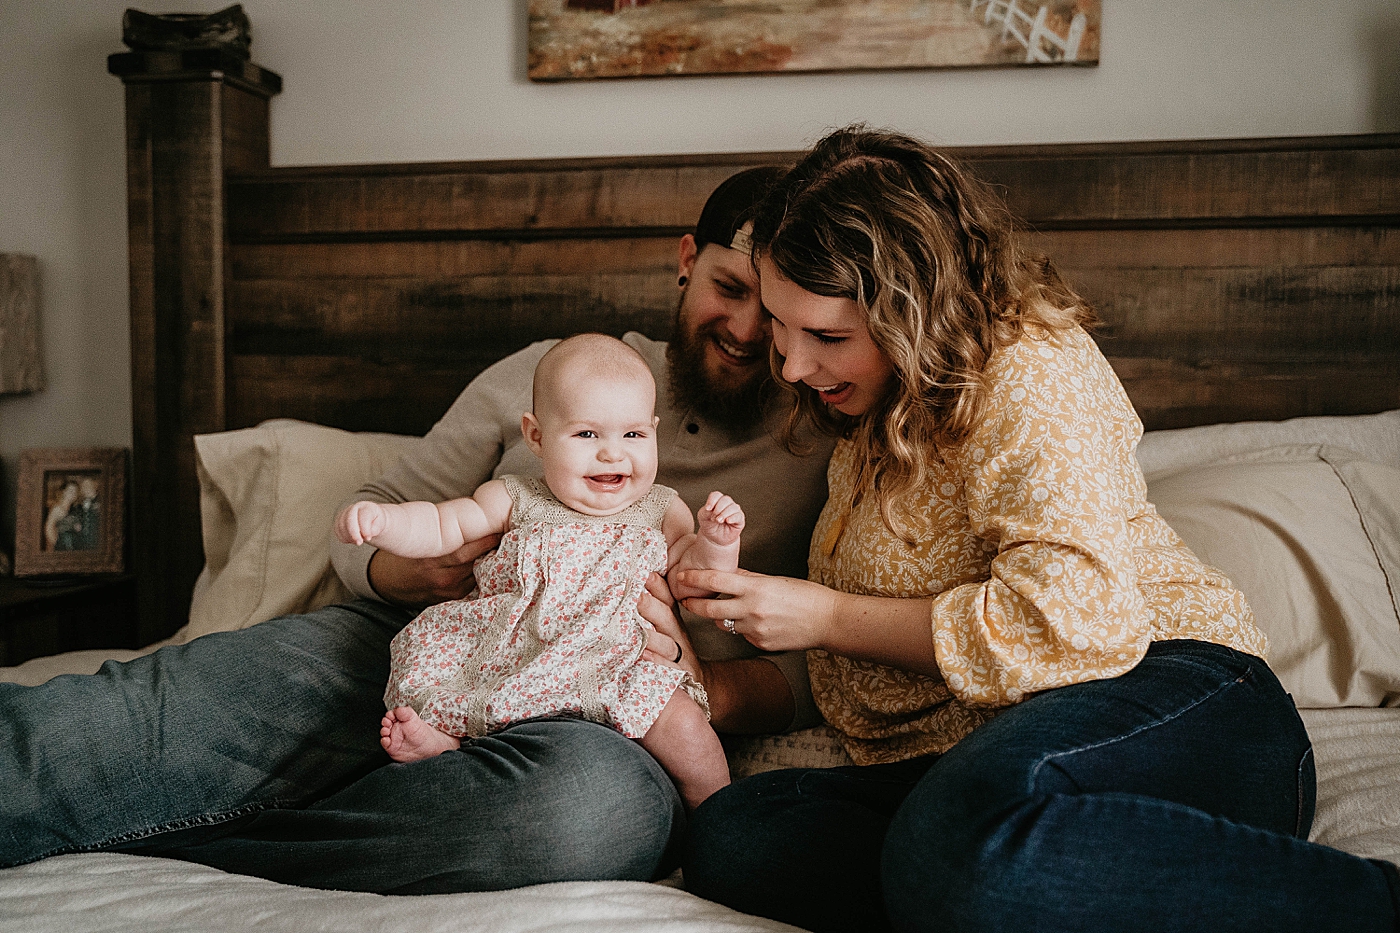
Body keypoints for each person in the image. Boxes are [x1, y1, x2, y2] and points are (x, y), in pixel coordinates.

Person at [0, 166, 836, 894]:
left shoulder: (823, 434)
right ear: (687, 260)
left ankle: (196, 845)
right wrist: (403, 573)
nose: (746, 329)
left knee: (582, 814)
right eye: (729, 288)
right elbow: (379, 507)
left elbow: (824, 664)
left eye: (772, 309)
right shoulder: (544, 371)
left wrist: (709, 684)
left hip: (610, 718)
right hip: (429, 646)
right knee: (140, 717)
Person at [673, 127, 1400, 932]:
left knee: (954, 846)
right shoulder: (876, 408)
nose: (791, 366)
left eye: (829, 338)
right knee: (737, 833)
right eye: (783, 325)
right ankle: (992, 875)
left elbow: (1074, 622)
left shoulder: (1026, 367)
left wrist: (826, 614)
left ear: (913, 309)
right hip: (978, 757)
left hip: (1173, 698)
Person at [337, 334, 741, 809]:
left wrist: (717, 543)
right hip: (516, 653)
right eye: (587, 434)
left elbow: (694, 577)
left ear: (653, 430)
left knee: (687, 728)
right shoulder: (515, 498)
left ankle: (716, 815)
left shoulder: (662, 510)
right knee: (448, 677)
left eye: (633, 435)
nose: (613, 454)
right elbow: (443, 525)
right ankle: (446, 740)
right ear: (536, 436)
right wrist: (385, 524)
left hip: (615, 663)